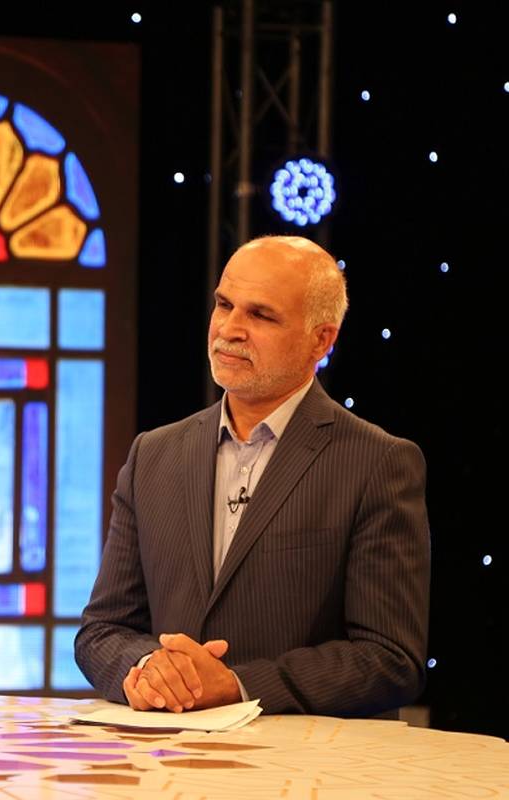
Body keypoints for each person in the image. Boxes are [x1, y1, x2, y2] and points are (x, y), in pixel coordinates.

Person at [74, 235, 430, 717]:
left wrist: (238, 685)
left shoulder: (378, 463)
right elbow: (102, 631)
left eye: (260, 315)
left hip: (305, 760)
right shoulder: (152, 455)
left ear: (321, 340)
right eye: (224, 305)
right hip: (169, 755)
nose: (229, 329)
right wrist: (149, 669)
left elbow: (390, 659)